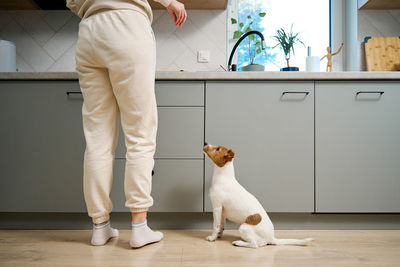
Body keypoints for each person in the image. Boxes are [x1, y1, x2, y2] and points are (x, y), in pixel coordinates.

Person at [66, 0, 187, 248]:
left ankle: (100, 227)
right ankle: (139, 228)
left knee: (97, 139)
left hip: (89, 30)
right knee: (140, 134)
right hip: (127, 25)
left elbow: (72, 2)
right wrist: (170, 1)